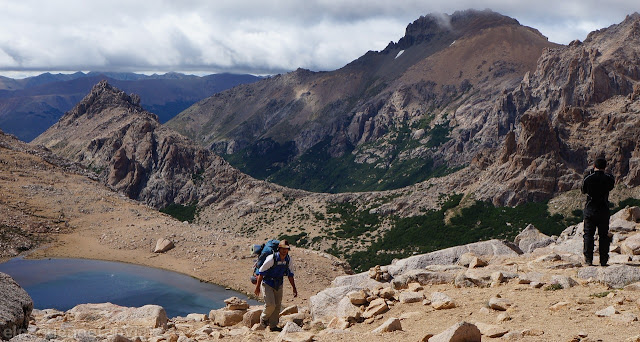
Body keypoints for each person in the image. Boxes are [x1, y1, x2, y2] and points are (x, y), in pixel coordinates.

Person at [254, 239, 297, 331]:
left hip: (279, 284)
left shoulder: (288, 260)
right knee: (270, 304)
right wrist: (257, 287)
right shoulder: (271, 258)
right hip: (267, 283)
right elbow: (261, 272)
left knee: (277, 306)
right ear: (279, 249)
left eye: (286, 249)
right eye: (283, 249)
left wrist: (294, 288)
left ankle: (273, 326)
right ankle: (263, 319)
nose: (285, 251)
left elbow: (290, 275)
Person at [582, 157, 615, 266]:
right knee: (603, 236)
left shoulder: (588, 177)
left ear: (594, 166)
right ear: (605, 167)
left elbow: (583, 190)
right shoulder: (608, 178)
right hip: (603, 209)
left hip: (590, 209)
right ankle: (603, 260)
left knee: (588, 235)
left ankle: (588, 259)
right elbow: (611, 184)